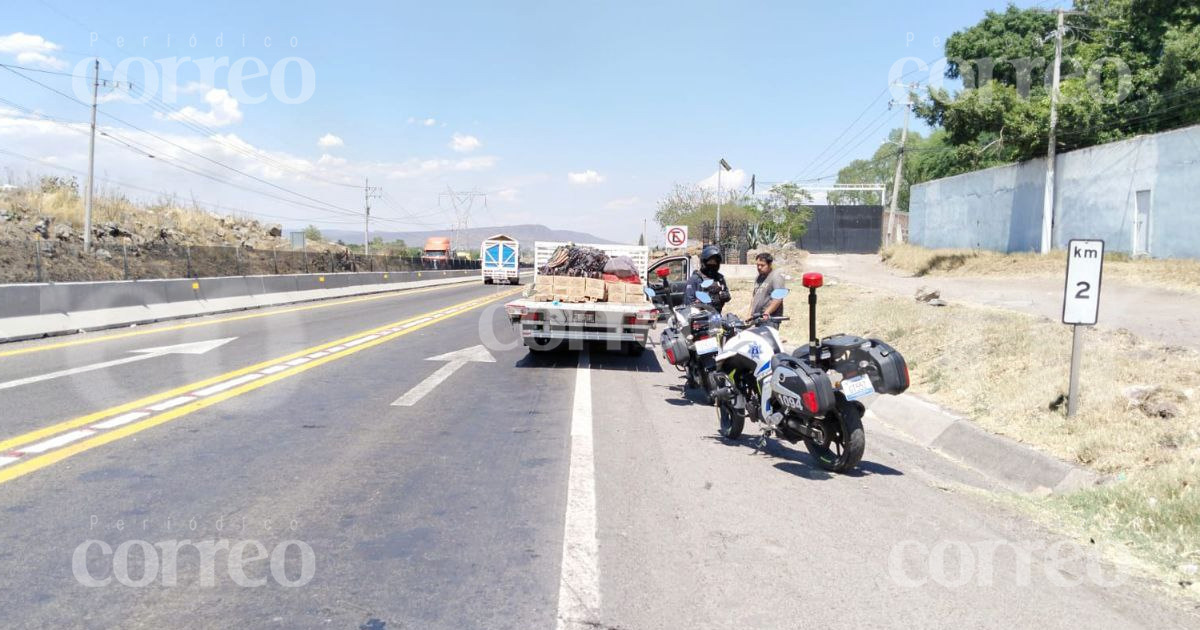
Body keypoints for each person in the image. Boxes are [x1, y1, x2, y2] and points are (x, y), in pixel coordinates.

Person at [685, 244, 731, 313]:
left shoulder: (719, 278)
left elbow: (726, 293)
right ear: (704, 262)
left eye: (715, 262)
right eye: (710, 261)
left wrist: (725, 296)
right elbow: (688, 302)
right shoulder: (695, 279)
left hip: (716, 316)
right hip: (699, 318)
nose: (712, 264)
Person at [750, 252, 786, 326]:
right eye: (758, 265)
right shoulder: (758, 277)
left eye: (762, 265)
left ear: (769, 265)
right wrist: (749, 314)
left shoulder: (776, 276)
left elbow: (778, 299)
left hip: (770, 319)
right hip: (758, 317)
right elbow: (754, 298)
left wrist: (766, 313)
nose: (759, 267)